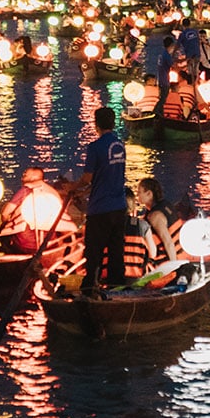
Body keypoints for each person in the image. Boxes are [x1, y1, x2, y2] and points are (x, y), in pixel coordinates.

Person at [69, 106, 127, 295]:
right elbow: (107, 176)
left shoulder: (95, 147)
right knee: (116, 250)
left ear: (97, 125)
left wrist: (72, 188)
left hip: (100, 207)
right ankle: (116, 287)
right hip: (119, 206)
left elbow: (87, 178)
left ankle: (89, 288)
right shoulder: (120, 145)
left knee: (94, 251)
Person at [0, 168, 64, 255]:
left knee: (3, 230)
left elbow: (5, 213)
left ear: (34, 177)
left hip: (26, 245)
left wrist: (7, 223)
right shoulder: (53, 192)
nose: (22, 177)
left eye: (25, 175)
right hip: (50, 243)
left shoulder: (26, 190)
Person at [136, 177, 191, 263]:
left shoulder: (155, 216)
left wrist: (175, 267)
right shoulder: (166, 205)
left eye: (139, 192)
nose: (137, 195)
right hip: (182, 253)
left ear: (149, 194)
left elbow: (168, 242)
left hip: (165, 262)